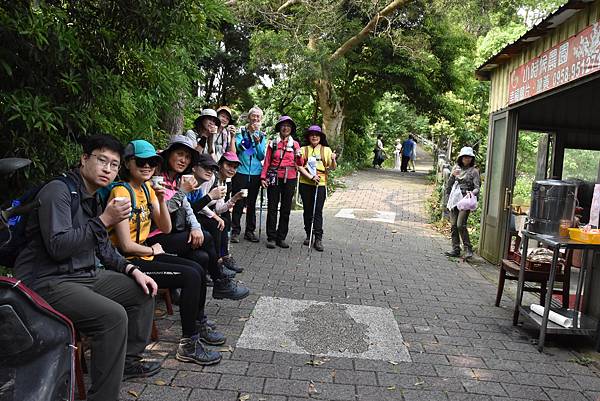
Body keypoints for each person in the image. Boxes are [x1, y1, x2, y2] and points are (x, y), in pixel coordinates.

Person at [13, 135, 159, 401]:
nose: (107, 169)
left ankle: (125, 363)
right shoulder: (58, 191)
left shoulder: (94, 198)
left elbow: (103, 248)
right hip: (47, 282)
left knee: (142, 291)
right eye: (101, 160)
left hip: (84, 276)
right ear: (84, 159)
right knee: (113, 317)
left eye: (114, 165)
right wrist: (104, 220)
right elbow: (58, 247)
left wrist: (132, 270)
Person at [108, 140, 223, 365]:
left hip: (145, 255)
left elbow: (167, 227)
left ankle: (195, 332)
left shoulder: (148, 189)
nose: (147, 166)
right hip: (129, 261)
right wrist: (152, 248)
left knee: (198, 266)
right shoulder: (121, 192)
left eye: (152, 162)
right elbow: (125, 246)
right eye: (141, 161)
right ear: (128, 163)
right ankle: (189, 344)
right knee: (191, 275)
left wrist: (160, 198)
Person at [146, 135, 249, 300]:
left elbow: (187, 207)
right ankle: (220, 280)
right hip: (155, 236)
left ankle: (198, 319)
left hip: (172, 232)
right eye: (179, 154)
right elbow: (162, 214)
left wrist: (195, 227)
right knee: (208, 234)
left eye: (187, 157)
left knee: (202, 257)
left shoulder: (178, 179)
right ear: (168, 154)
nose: (183, 160)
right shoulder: (158, 179)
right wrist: (186, 192)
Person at [189, 152, 245, 272]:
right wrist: (214, 216)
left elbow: (219, 208)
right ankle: (217, 263)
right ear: (220, 165)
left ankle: (223, 258)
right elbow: (200, 201)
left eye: (235, 167)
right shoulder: (211, 178)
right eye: (228, 165)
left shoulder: (222, 182)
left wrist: (234, 198)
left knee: (223, 221)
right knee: (217, 224)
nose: (232, 169)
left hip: (201, 212)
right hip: (195, 212)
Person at [260, 116, 303, 249]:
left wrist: (299, 156)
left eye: (288, 126)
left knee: (285, 209)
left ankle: (281, 237)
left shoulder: (295, 144)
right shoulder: (273, 143)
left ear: (291, 129)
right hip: (274, 177)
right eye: (283, 126)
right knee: (272, 208)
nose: (285, 128)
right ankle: (271, 237)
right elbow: (267, 161)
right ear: (279, 128)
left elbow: (300, 164)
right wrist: (263, 178)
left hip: (290, 178)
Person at [231, 106, 267, 243]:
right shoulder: (240, 131)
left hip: (256, 173)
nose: (256, 119)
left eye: (258, 117)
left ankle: (250, 231)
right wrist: (252, 139)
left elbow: (260, 155)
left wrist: (257, 143)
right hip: (241, 172)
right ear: (248, 117)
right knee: (238, 202)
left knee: (252, 204)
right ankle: (235, 231)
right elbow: (241, 148)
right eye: (254, 116)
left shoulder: (262, 135)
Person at [298, 125, 337, 251]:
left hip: (320, 183)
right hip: (305, 182)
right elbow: (299, 166)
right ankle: (309, 235)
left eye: (317, 134)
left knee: (317, 211)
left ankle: (318, 238)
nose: (314, 136)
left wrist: (333, 160)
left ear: (320, 137)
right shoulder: (303, 149)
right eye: (312, 134)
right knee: (307, 210)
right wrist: (310, 177)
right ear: (308, 137)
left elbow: (332, 167)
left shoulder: (326, 150)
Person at [444, 146, 480, 259]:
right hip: (455, 199)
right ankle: (455, 249)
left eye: (469, 157)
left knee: (460, 224)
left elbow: (477, 187)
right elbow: (448, 185)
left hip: (465, 200)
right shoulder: (456, 168)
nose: (467, 159)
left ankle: (468, 249)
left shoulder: (474, 171)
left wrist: (472, 193)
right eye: (465, 157)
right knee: (453, 225)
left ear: (472, 158)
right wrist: (453, 175)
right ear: (461, 157)